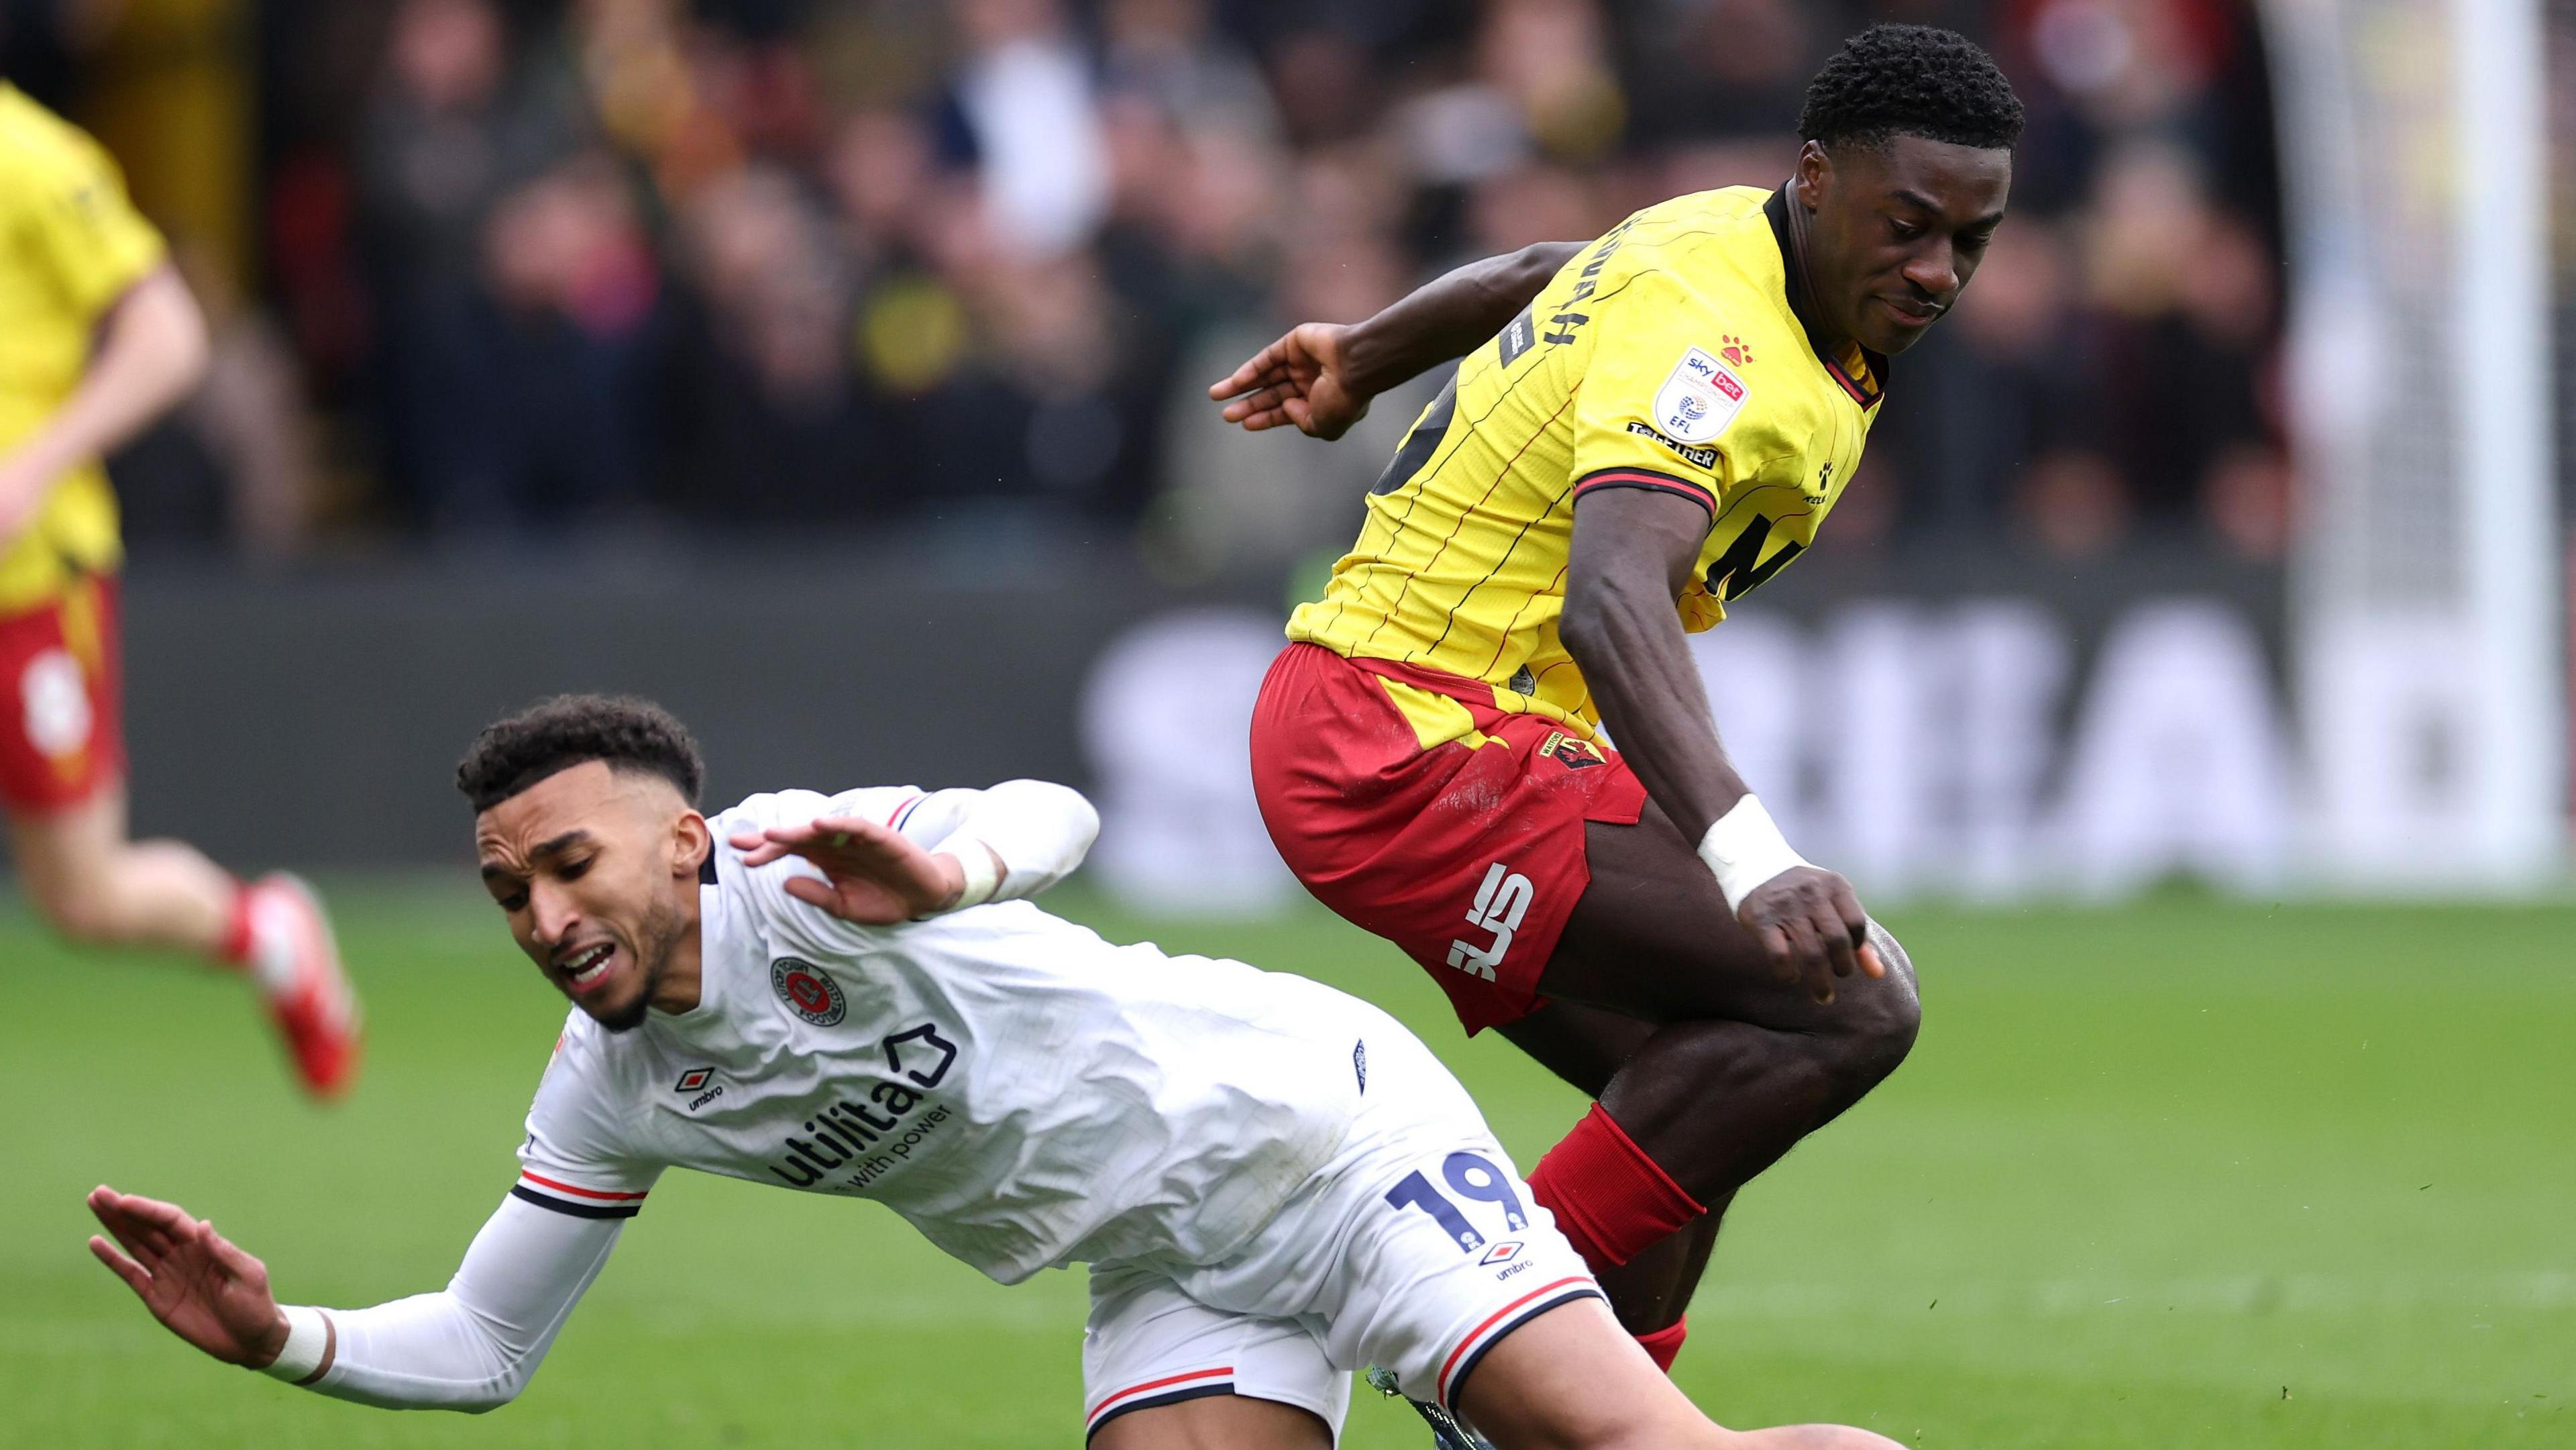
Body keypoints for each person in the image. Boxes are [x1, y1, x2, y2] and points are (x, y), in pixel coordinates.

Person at [85, 694, 1902, 1450]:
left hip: (1318, 1136)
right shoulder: (615, 1085)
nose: (542, 915)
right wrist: (280, 1339)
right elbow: (485, 1344)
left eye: (569, 867)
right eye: (508, 892)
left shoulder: (810, 860)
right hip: (1173, 1262)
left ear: (684, 843)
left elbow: (1058, 806)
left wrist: (948, 870)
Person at [1210, 24, 2019, 1371]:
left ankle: (1591, 1411)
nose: (1938, 271)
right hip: (1407, 736)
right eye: (1910, 225)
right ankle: (1483, 1356)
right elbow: (1612, 599)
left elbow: (1542, 275)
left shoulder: (1728, 236)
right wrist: (1750, 857)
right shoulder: (1720, 337)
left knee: (1704, 1083)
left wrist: (1362, 354)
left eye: (1971, 240)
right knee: (1856, 1003)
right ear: (1816, 178)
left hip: (1424, 724)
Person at [0, 81, 358, 1094]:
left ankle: (265, 929)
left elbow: (168, 337)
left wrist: (32, 467)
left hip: (26, 586)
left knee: (82, 895)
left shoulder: (32, 160)